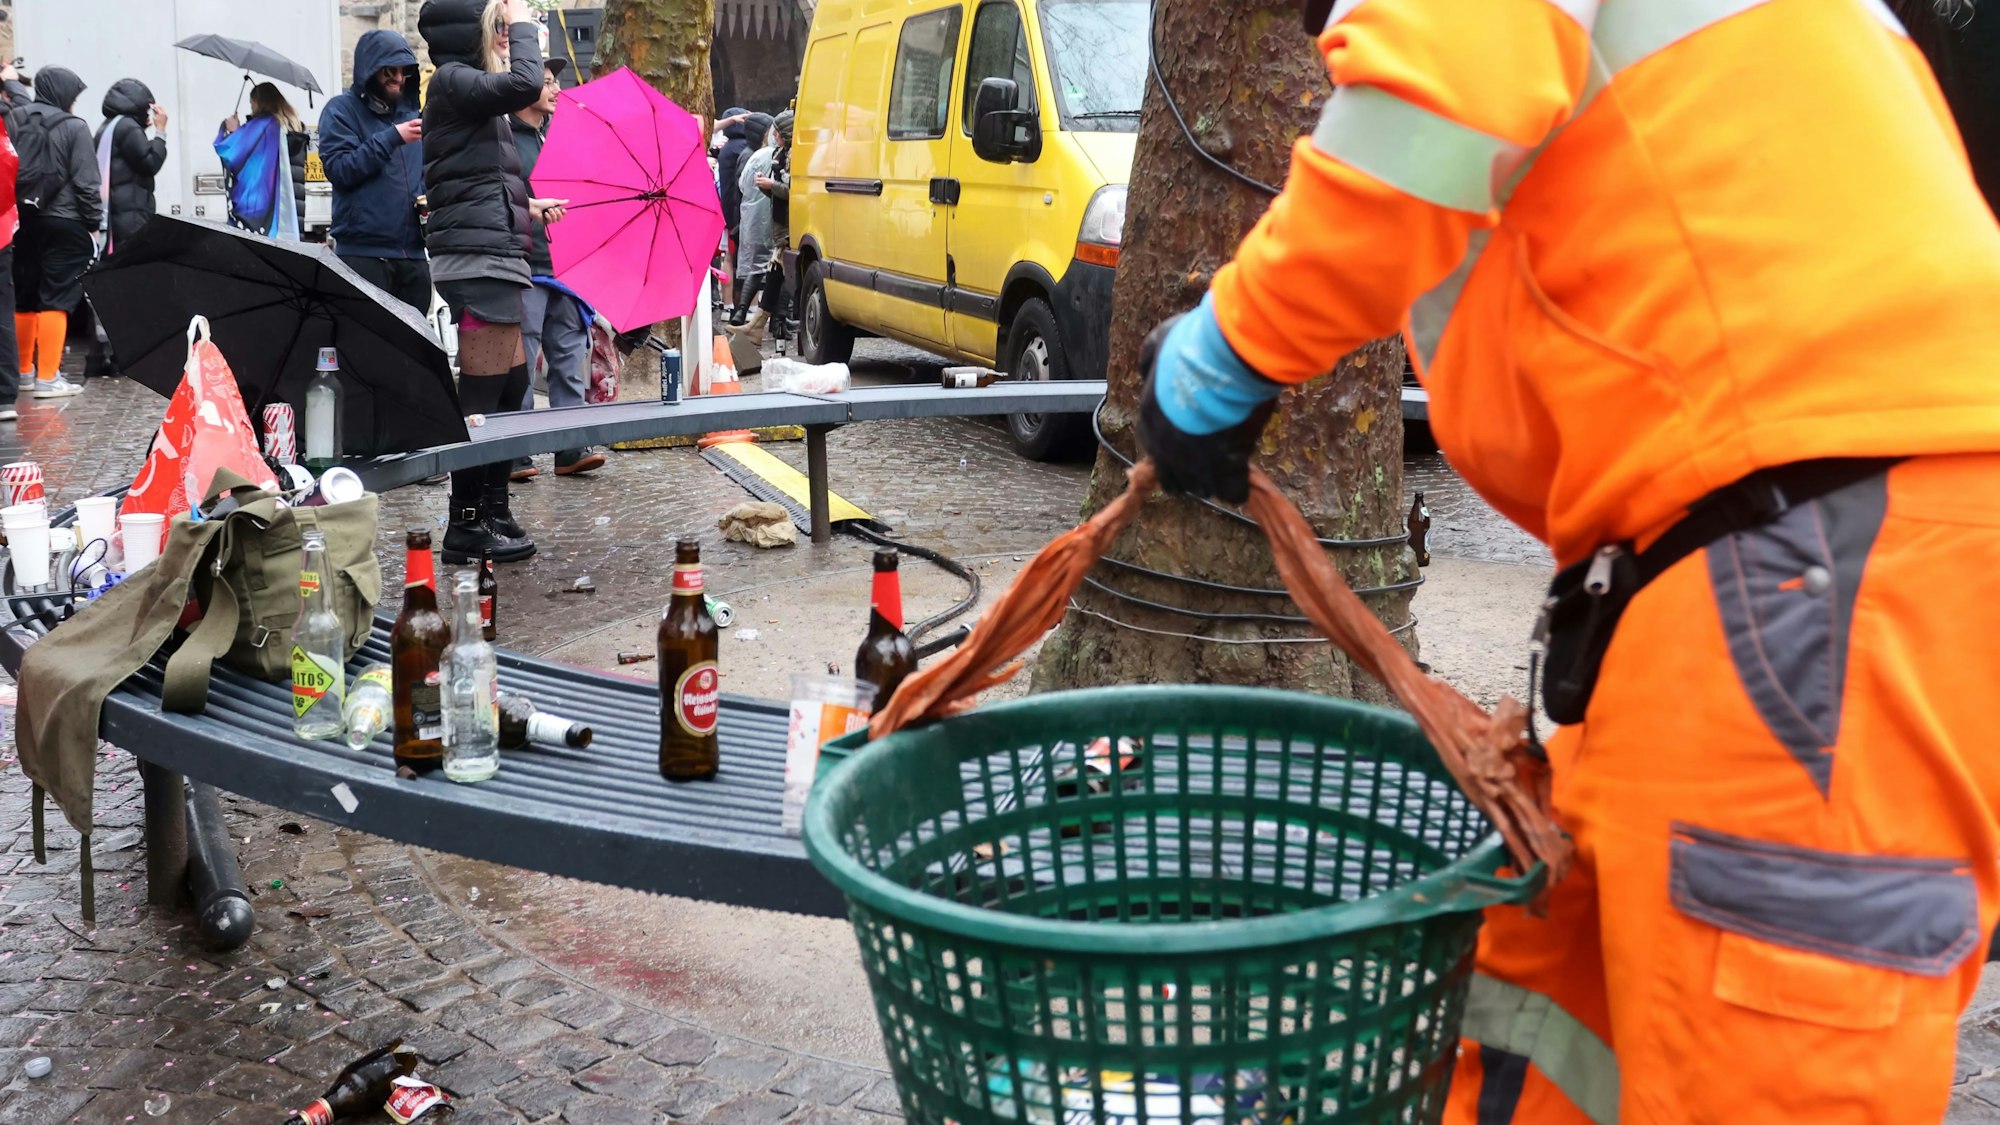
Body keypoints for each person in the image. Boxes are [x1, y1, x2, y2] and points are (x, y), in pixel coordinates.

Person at [1138, 2, 2000, 1121]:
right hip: (1750, 561)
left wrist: (1229, 346)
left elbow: (1421, 126)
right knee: (1554, 1023)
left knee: (1764, 1064)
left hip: (1812, 564)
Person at [419, 0, 567, 564]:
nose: (507, 37)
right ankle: (466, 522)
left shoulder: (466, 89)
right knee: (482, 397)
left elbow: (472, 179)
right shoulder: (455, 82)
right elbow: (529, 81)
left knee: (507, 390)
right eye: (499, 30)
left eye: (510, 29)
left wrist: (529, 207)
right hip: (478, 261)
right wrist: (527, 18)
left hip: (495, 252)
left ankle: (494, 506)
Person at [507, 56, 603, 480]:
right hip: (526, 267)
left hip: (566, 270)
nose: (555, 90)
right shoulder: (502, 140)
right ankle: (519, 450)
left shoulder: (554, 138)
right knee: (522, 362)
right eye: (546, 83)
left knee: (568, 358)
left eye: (555, 83)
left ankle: (569, 446)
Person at [320, 29, 430, 313]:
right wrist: (391, 137)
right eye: (388, 72)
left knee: (413, 352)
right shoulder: (341, 111)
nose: (397, 78)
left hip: (414, 256)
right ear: (369, 72)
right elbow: (340, 170)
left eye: (403, 71)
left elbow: (425, 173)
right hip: (363, 255)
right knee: (365, 350)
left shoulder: (412, 115)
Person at [9, 66, 98, 399]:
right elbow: (87, 182)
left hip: (23, 219)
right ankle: (48, 377)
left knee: (25, 295)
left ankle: (23, 374)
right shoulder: (74, 127)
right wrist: (93, 224)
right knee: (56, 297)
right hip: (66, 221)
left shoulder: (16, 118)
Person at [84, 78, 166, 378]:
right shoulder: (128, 128)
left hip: (113, 219)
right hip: (130, 219)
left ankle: (100, 356)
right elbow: (149, 162)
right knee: (133, 288)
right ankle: (126, 357)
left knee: (111, 288)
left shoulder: (107, 127)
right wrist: (160, 132)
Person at [215, 82, 309, 241]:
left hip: (266, 220)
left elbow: (234, 152)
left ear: (260, 102)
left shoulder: (264, 128)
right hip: (292, 211)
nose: (251, 108)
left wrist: (233, 132)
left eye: (252, 104)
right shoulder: (294, 127)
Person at [729, 109, 791, 346]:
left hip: (775, 222)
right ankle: (764, 323)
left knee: (775, 271)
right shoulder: (776, 154)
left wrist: (770, 185)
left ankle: (753, 318)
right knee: (776, 271)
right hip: (775, 222)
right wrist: (771, 186)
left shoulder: (779, 155)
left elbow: (790, 189)